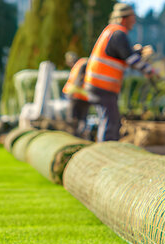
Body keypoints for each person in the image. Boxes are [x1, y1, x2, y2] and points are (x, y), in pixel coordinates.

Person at [84, 3, 155, 142]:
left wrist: (138, 52)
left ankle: (105, 150)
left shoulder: (112, 32)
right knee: (111, 122)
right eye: (132, 17)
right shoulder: (118, 33)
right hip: (102, 85)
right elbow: (130, 59)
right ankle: (107, 153)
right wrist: (149, 70)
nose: (134, 21)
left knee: (110, 120)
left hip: (98, 85)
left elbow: (122, 54)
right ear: (124, 18)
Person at [62, 51, 90, 139]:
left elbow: (78, 81)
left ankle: (74, 137)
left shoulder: (81, 65)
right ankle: (81, 136)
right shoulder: (81, 64)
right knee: (82, 120)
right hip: (84, 97)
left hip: (76, 96)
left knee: (72, 120)